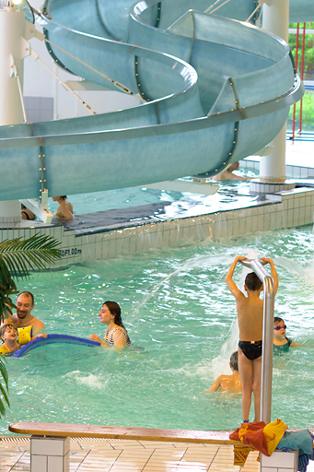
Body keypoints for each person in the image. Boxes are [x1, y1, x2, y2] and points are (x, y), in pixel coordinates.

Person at [225, 256, 278, 423]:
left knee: (246, 388)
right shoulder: (266, 303)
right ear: (263, 288)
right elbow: (275, 284)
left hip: (244, 348)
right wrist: (271, 263)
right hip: (261, 347)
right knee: (258, 388)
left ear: (245, 287)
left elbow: (228, 279)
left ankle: (245, 422)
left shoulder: (240, 300)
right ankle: (258, 421)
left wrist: (236, 261)